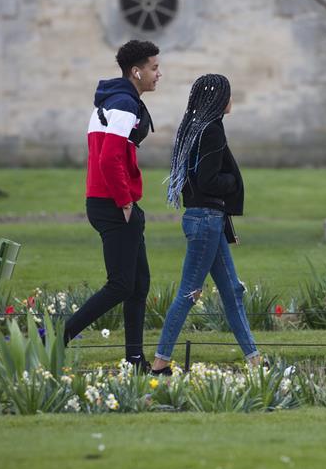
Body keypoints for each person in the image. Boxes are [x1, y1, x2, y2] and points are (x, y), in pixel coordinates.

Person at [61, 40, 161, 372]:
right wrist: (125, 201)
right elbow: (108, 158)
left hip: (113, 202)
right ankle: (57, 339)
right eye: (153, 67)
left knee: (139, 284)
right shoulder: (122, 103)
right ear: (137, 71)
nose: (158, 74)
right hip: (114, 204)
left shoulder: (119, 99)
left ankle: (135, 360)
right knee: (121, 284)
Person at [152, 74, 260, 375]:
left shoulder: (195, 128)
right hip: (206, 221)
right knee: (189, 292)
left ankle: (255, 360)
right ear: (218, 99)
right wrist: (234, 182)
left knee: (232, 291)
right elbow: (208, 180)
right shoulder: (211, 132)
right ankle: (160, 364)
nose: (231, 100)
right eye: (228, 94)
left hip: (205, 219)